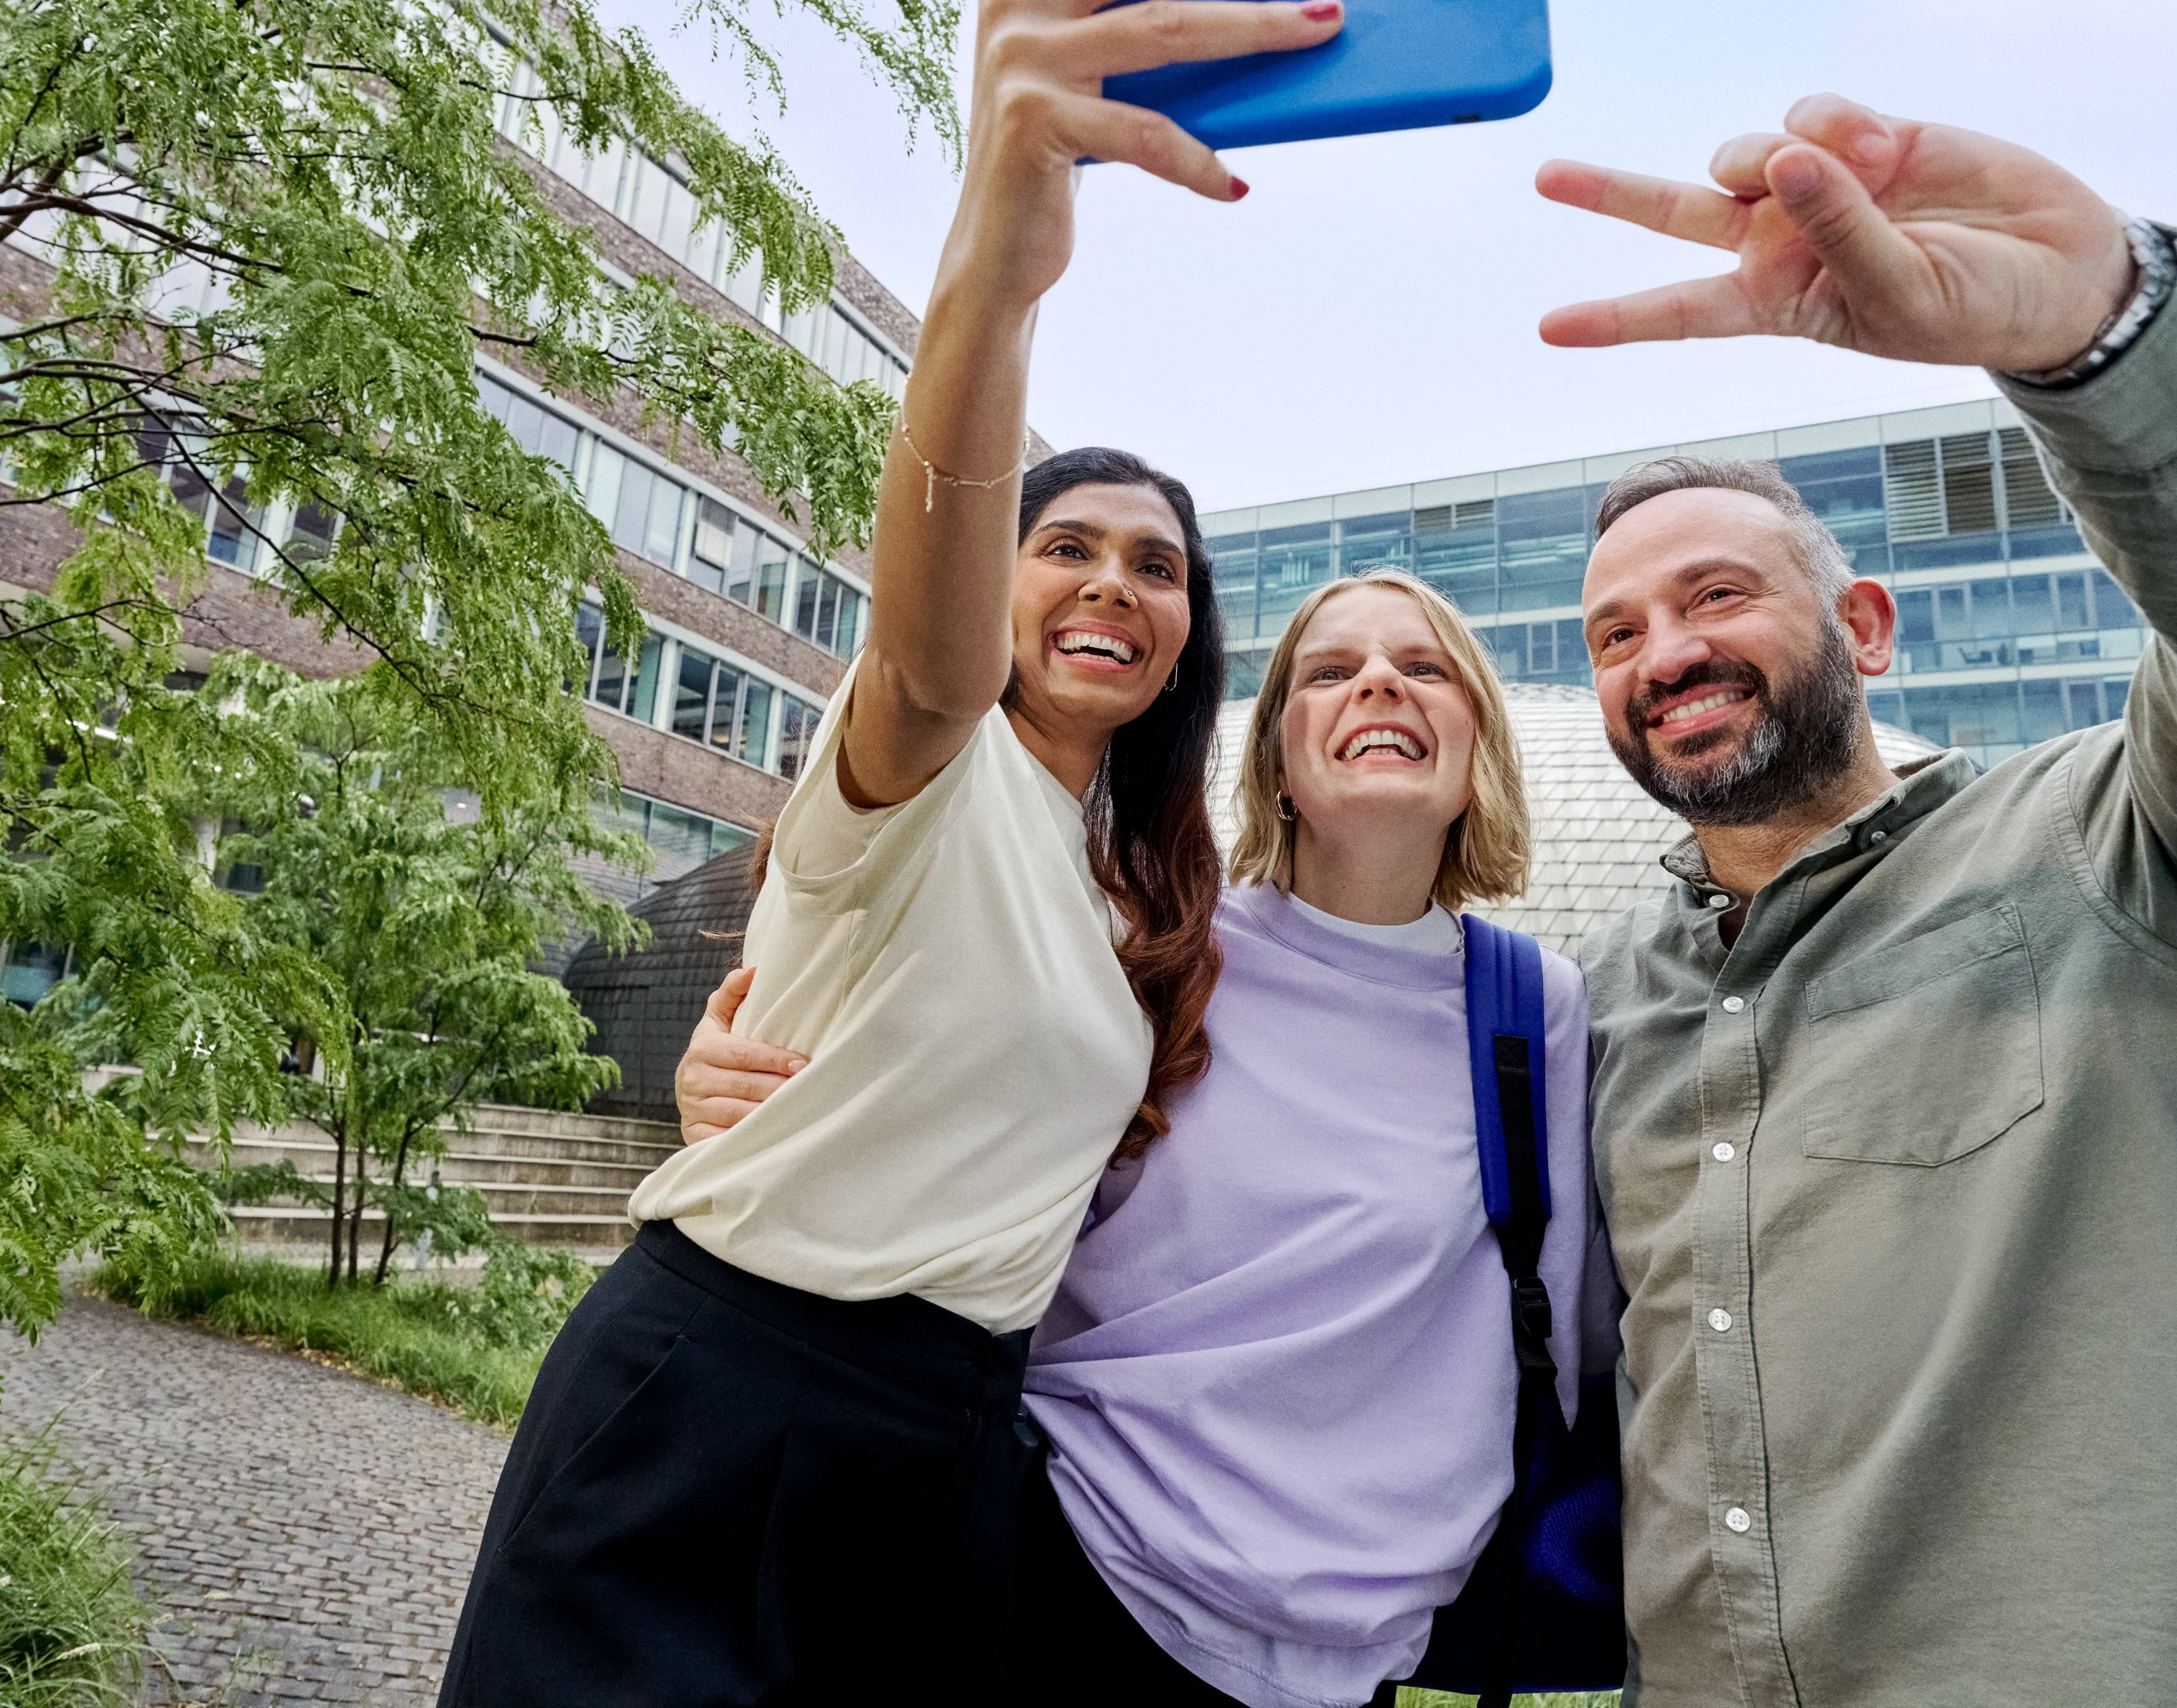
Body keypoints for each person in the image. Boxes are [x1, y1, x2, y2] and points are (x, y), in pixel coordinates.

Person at [437, 0, 1347, 1708]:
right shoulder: (924, 765)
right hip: (717, 1394)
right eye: (1062, 546)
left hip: (942, 1450)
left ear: (1186, 639)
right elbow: (924, 659)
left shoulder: (1137, 896)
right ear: (994, 583)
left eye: (1155, 567)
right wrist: (995, 276)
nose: (1109, 583)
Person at [679, 566, 1615, 1708]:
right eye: (1332, 671)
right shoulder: (1154, 945)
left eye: (1424, 669)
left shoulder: (1542, 1010)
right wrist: (735, 1084)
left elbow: (1589, 1324)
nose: (1380, 684)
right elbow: (920, 1105)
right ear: (1275, 759)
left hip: (1353, 1656)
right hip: (1069, 1576)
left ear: (1478, 745)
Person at [1535, 96, 2177, 1704]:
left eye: (1715, 594)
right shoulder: (1599, 993)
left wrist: (2100, 335)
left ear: (1867, 629)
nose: (1660, 650)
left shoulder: (2106, 837)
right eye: (1612, 633)